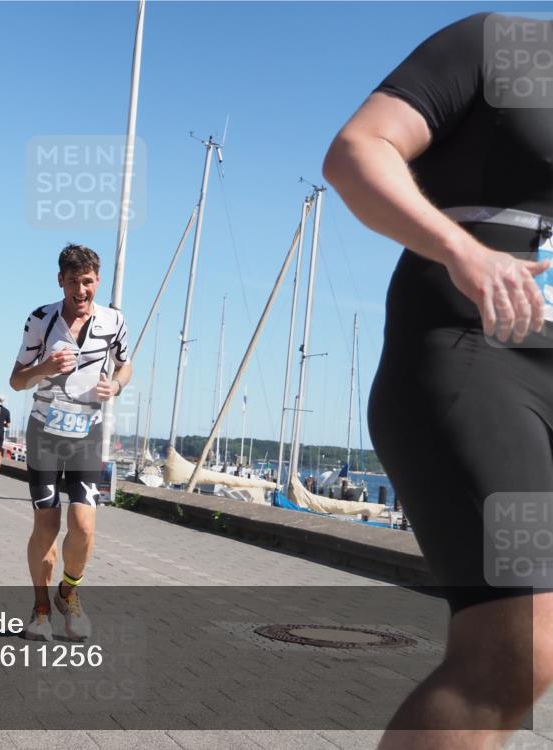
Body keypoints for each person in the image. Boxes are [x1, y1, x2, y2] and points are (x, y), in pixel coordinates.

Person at [323, 12, 552, 747]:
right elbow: (358, 152)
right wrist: (460, 248)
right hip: (476, 355)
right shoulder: (502, 45)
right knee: (519, 641)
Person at [10, 243, 132, 642]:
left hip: (86, 433)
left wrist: (114, 384)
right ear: (60, 280)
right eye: (74, 282)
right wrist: (43, 368)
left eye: (89, 282)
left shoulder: (114, 322)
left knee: (83, 525)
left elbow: (125, 365)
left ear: (97, 281)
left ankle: (69, 592)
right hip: (45, 432)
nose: (81, 291)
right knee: (47, 525)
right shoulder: (41, 320)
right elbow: (17, 380)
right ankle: (41, 609)